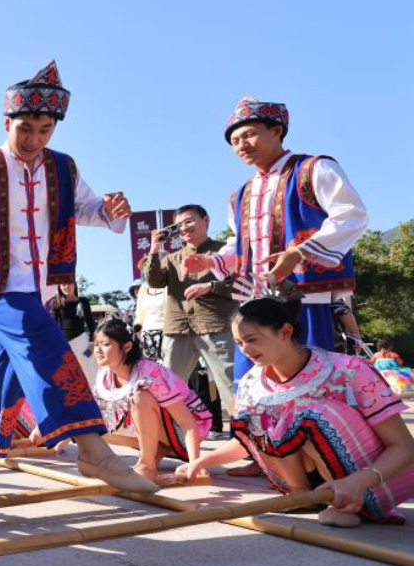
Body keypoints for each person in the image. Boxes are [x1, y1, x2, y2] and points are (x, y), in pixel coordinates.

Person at [0, 60, 158, 494]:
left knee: (11, 368)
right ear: (7, 122)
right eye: (25, 128)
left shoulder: (65, 168)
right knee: (46, 346)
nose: (33, 139)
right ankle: (92, 449)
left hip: (42, 287)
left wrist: (108, 212)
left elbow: (85, 208)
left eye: (44, 130)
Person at [177, 298, 414, 527]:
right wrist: (200, 462)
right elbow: (248, 440)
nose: (245, 350)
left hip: (368, 485)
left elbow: (404, 446)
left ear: (285, 331)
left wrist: (358, 482)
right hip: (310, 480)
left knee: (312, 411)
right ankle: (299, 493)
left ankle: (346, 503)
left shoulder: (348, 370)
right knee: (260, 415)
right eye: (239, 343)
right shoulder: (251, 384)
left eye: (251, 339)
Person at [185, 97, 369, 366]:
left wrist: (298, 253)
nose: (242, 145)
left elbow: (351, 213)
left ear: (276, 130)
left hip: (307, 297)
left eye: (249, 135)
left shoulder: (313, 168)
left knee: (314, 374)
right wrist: (211, 261)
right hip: (253, 298)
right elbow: (239, 244)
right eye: (235, 141)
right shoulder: (240, 195)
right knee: (254, 381)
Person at [91, 317, 212, 481]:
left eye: (105, 344)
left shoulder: (152, 374)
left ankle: (147, 465)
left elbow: (187, 422)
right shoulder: (105, 372)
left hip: (185, 434)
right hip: (160, 430)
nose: (98, 350)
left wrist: (195, 463)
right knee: (87, 426)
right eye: (96, 344)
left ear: (127, 346)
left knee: (140, 397)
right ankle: (157, 448)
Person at [142, 204, 237, 409]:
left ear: (206, 220)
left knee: (230, 384)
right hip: (178, 328)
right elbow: (154, 281)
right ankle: (169, 438)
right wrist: (154, 249)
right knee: (167, 389)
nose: (184, 228)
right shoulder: (172, 258)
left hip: (215, 325)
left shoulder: (224, 251)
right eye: (178, 225)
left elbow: (241, 284)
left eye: (189, 221)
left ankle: (244, 435)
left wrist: (211, 287)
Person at [48, 281, 97, 383]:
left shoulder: (83, 301)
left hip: (82, 342)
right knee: (67, 373)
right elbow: (53, 325)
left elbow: (90, 323)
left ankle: (94, 395)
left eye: (69, 283)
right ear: (59, 287)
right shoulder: (55, 302)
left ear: (74, 285)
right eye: (63, 284)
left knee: (89, 370)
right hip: (64, 344)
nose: (67, 287)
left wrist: (93, 342)